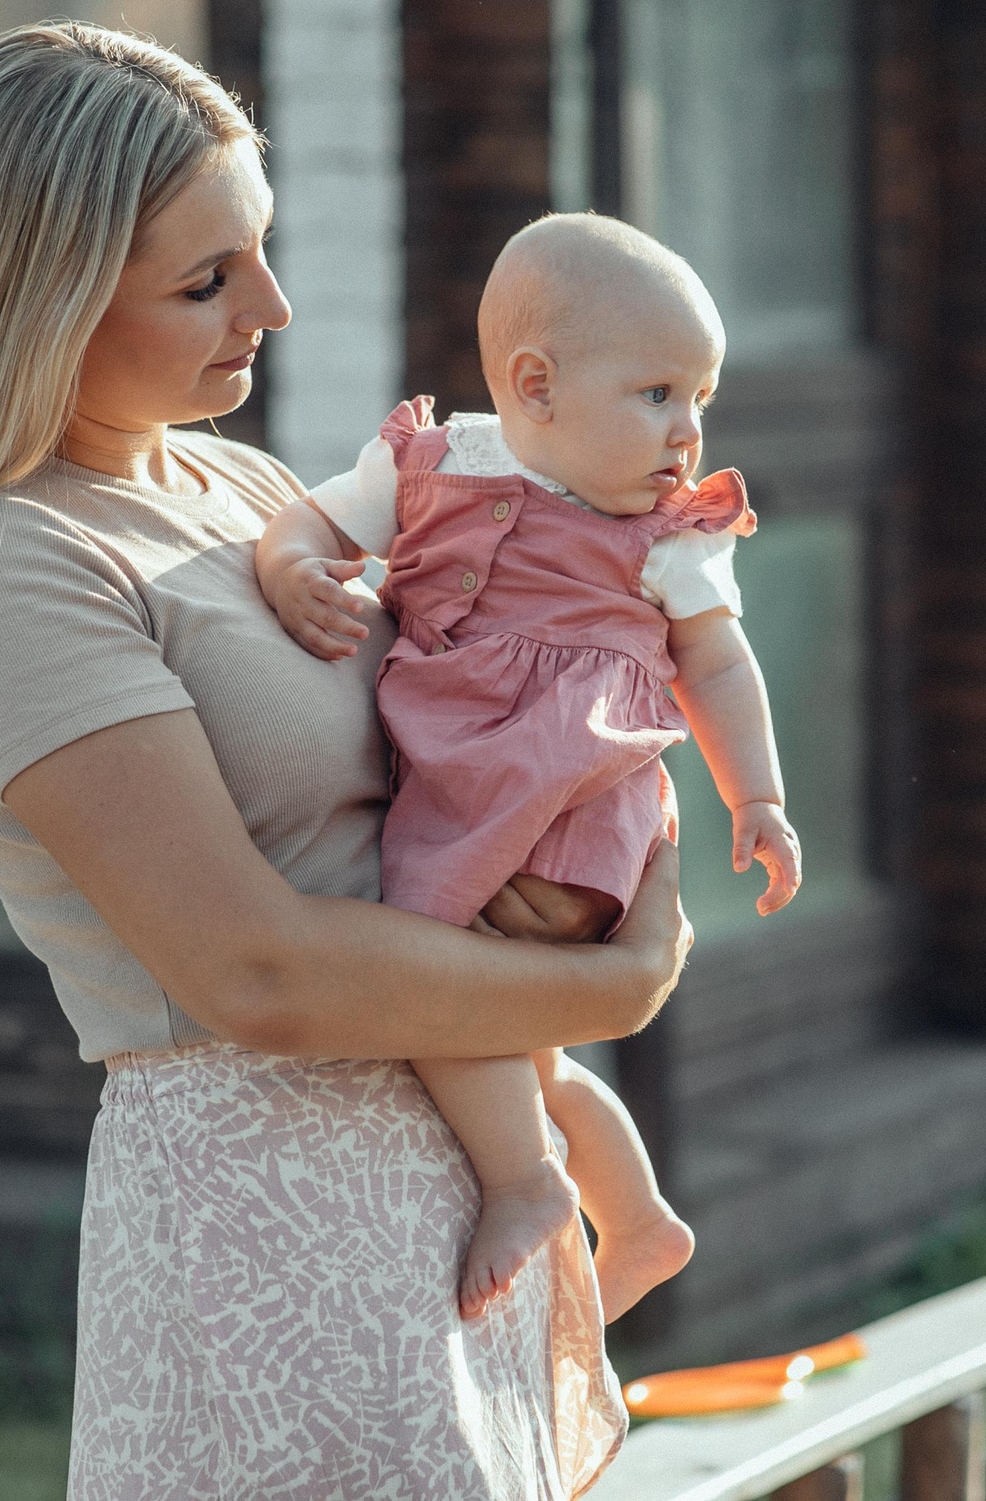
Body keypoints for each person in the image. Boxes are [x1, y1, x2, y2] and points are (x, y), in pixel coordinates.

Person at [0, 23, 684, 1499]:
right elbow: (254, 973)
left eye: (263, 250)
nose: (272, 307)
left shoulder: (242, 488)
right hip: (272, 1210)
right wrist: (613, 988)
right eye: (205, 280)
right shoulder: (7, 563)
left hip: (464, 1175)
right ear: (45, 295)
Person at [255, 214, 802, 1326]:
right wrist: (291, 569)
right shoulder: (432, 463)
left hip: (571, 803)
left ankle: (525, 1183)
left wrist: (758, 797)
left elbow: (718, 663)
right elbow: (305, 523)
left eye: (700, 397)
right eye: (657, 393)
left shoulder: (666, 534)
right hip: (468, 793)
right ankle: (638, 1218)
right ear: (536, 385)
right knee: (519, 1046)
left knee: (433, 985)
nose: (688, 431)